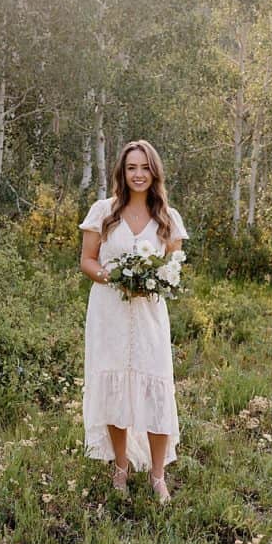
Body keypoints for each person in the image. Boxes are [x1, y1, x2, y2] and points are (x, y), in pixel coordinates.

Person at [79, 140, 189, 503]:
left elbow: (173, 266)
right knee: (116, 389)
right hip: (109, 312)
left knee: (155, 387)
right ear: (122, 173)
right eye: (131, 168)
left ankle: (158, 476)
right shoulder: (103, 211)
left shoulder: (167, 218)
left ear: (153, 172)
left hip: (149, 316)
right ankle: (121, 468)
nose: (138, 174)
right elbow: (88, 261)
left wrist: (155, 280)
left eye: (144, 167)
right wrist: (115, 278)